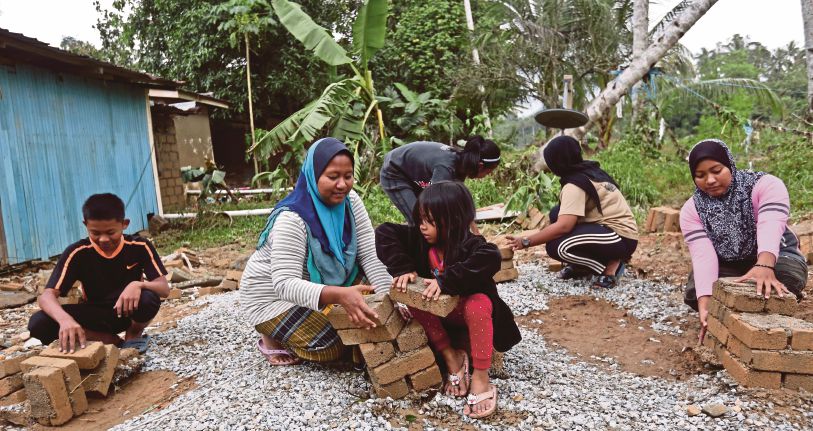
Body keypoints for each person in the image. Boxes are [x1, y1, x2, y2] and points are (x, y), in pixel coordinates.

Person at [240, 138, 393, 366]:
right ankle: (271, 337)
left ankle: (332, 304)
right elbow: (284, 284)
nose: (342, 184)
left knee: (370, 300)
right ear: (313, 175)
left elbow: (370, 254)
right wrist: (341, 295)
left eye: (348, 176)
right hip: (272, 298)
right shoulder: (292, 218)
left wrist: (389, 301)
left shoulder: (351, 202)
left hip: (321, 283)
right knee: (333, 347)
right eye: (333, 177)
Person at [375, 181, 521, 419]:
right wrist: (403, 267)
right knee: (415, 294)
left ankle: (481, 377)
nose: (422, 227)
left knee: (478, 303)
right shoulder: (419, 240)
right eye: (420, 219)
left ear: (453, 220)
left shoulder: (472, 245)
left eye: (430, 221)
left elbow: (490, 256)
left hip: (467, 315)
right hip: (437, 318)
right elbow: (384, 232)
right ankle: (451, 356)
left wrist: (446, 280)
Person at [680, 139, 808, 342]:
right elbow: (703, 256)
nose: (710, 180)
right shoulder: (692, 209)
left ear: (729, 165)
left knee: (788, 278)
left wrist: (765, 264)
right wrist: (706, 307)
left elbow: (770, 223)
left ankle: (777, 310)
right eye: (700, 175)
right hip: (729, 262)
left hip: (776, 252)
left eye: (716, 170)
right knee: (695, 290)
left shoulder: (765, 185)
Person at [28, 193, 169, 354]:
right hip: (94, 315)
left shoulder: (139, 246)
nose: (103, 239)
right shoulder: (77, 252)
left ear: (124, 224)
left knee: (148, 298)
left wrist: (137, 284)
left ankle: (134, 334)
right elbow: (47, 296)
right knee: (38, 323)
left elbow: (163, 288)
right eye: (95, 233)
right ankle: (107, 339)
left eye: (110, 233)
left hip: (128, 312)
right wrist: (65, 320)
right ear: (85, 224)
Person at [506, 136, 639, 289]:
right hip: (614, 232)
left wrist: (526, 241)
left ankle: (610, 267)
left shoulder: (574, 185)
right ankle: (583, 265)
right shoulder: (588, 170)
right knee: (556, 213)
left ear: (556, 162)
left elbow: (564, 227)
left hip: (620, 237)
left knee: (558, 247)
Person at [379, 136, 501, 226]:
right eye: (488, 172)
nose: (487, 176)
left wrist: (475, 234)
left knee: (434, 219)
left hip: (415, 172)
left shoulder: (461, 166)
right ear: (480, 166)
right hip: (394, 171)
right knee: (421, 222)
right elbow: (433, 204)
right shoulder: (445, 168)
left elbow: (457, 204)